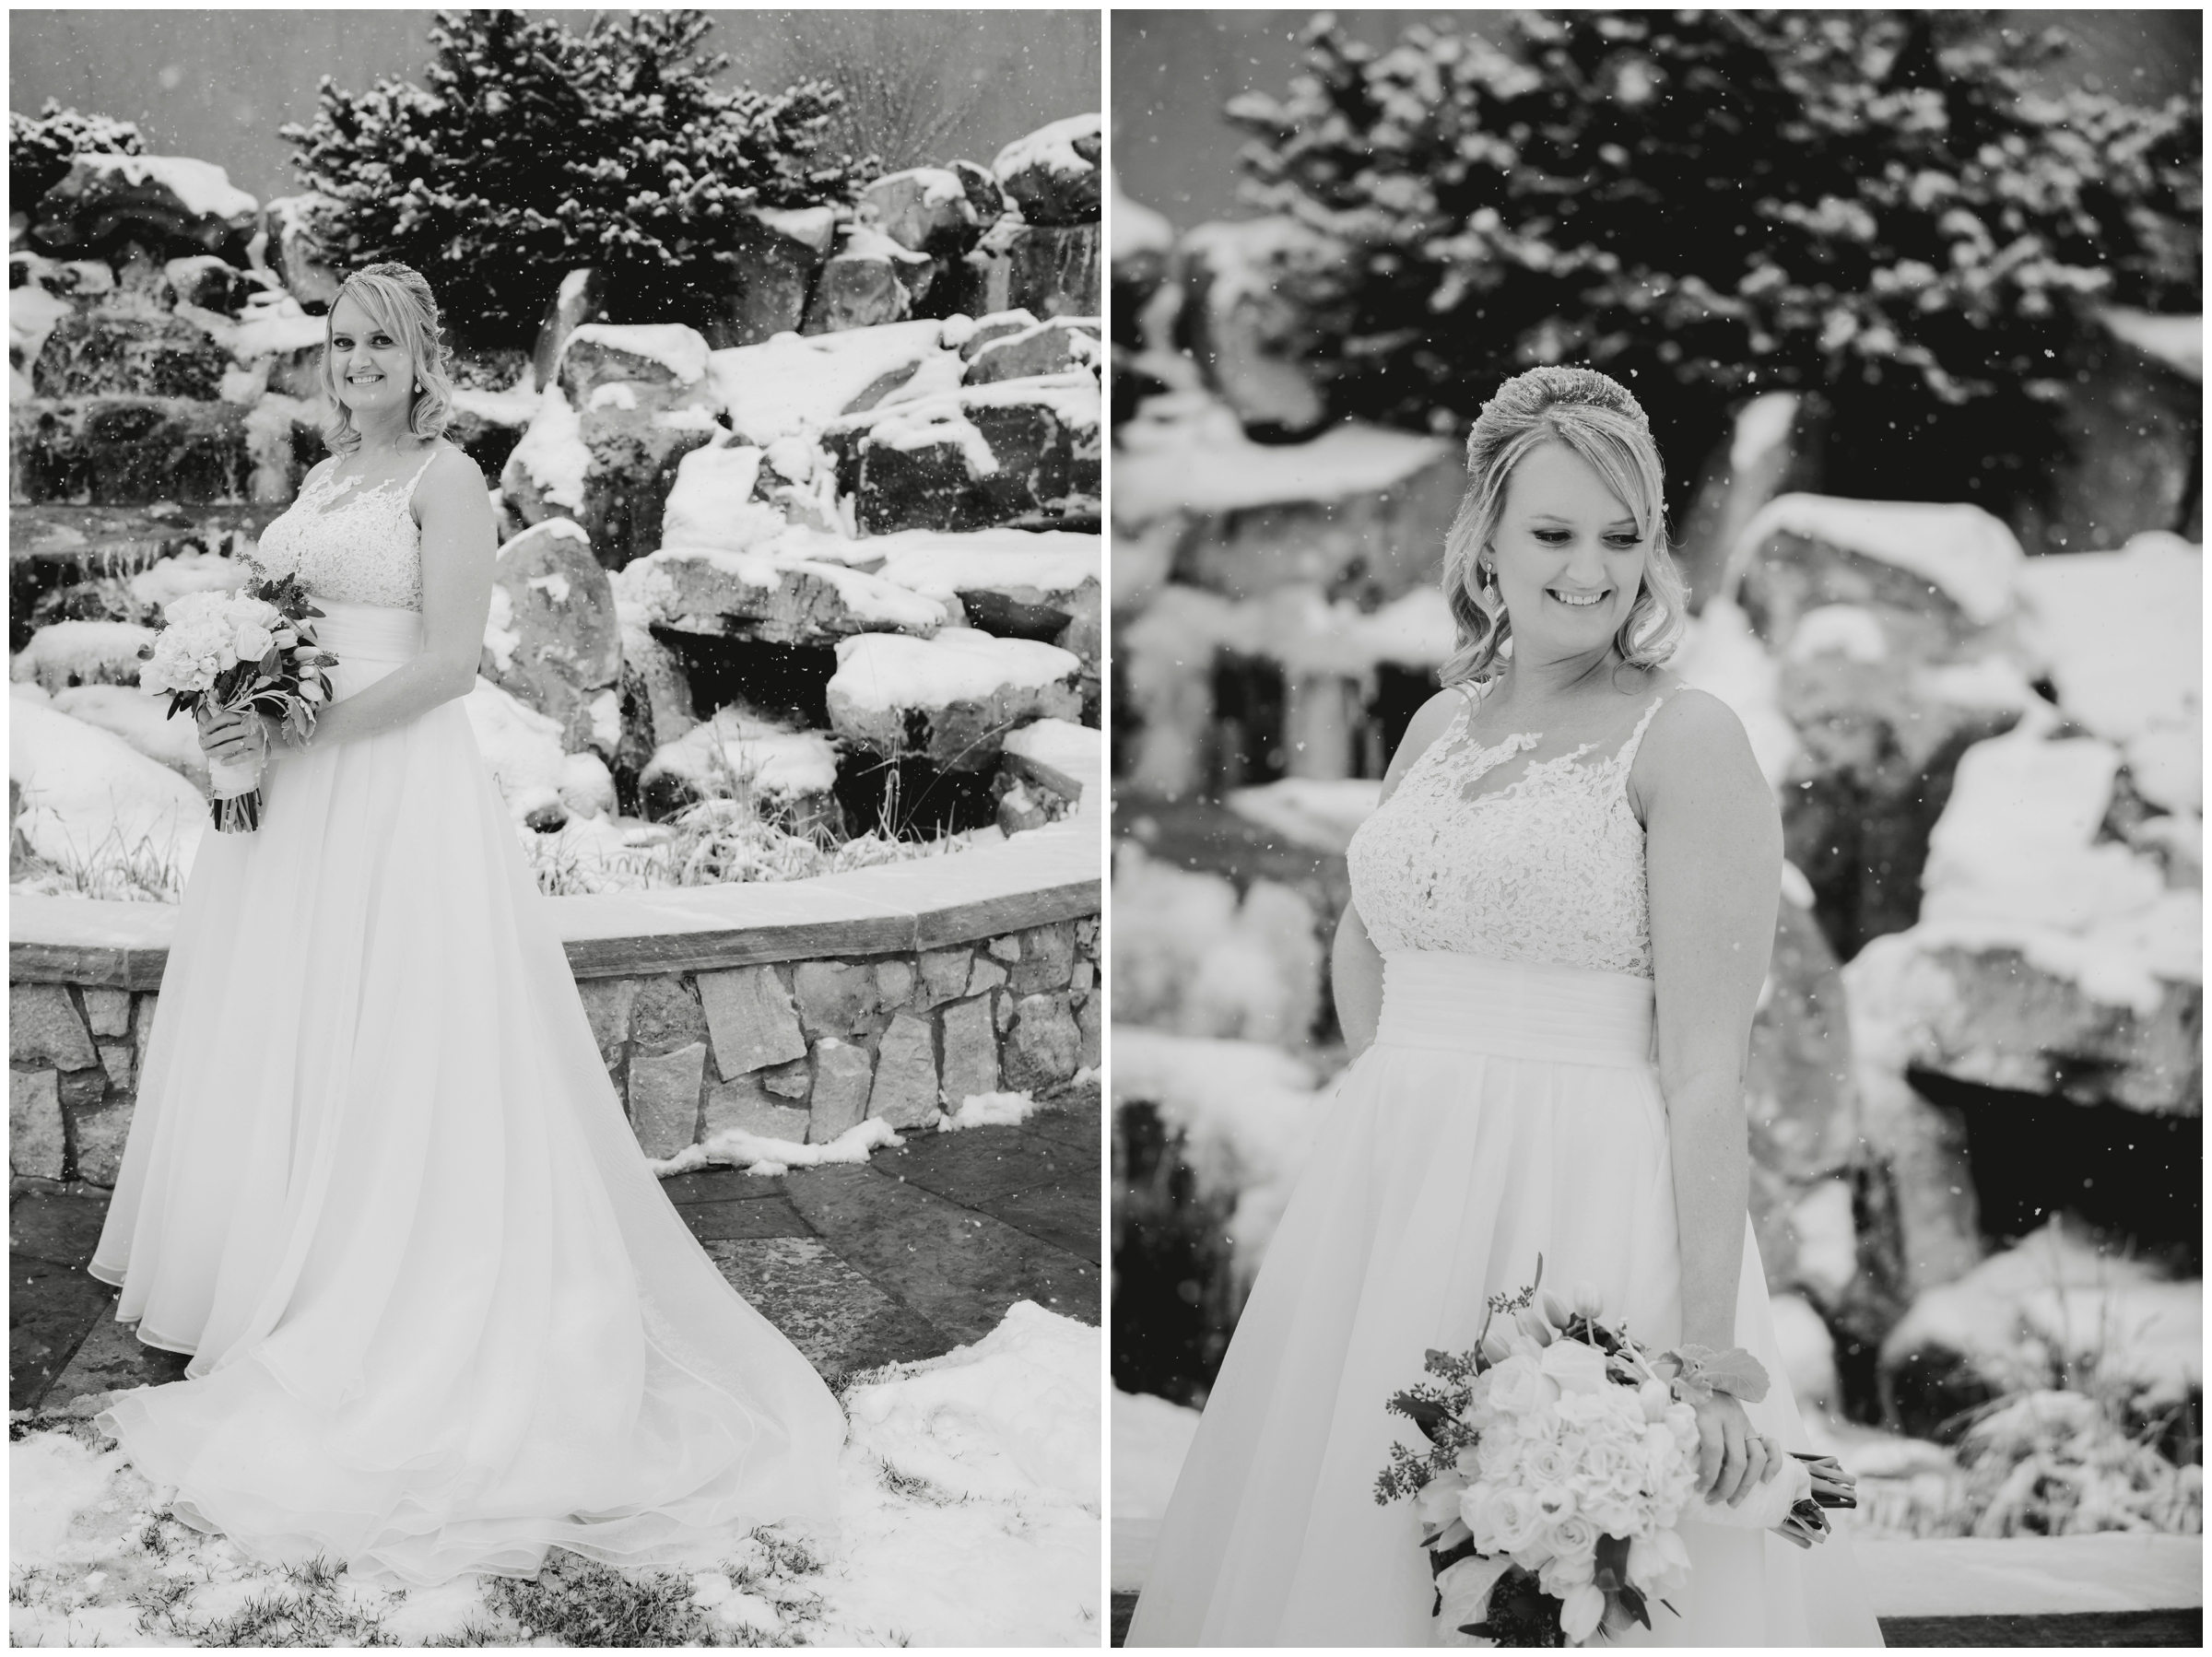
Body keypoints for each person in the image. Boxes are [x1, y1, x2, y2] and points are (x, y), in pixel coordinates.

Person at [88, 263, 844, 1588]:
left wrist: (293, 722)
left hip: (386, 789)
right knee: (290, 1022)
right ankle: (277, 1267)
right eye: (340, 341)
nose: (357, 360)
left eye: (380, 341)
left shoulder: (446, 480)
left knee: (396, 1034)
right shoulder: (325, 483)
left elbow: (442, 663)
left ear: (422, 356)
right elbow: (285, 628)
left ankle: (389, 1291)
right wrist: (230, 704)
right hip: (287, 798)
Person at [1125, 367, 1881, 1646]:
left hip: (1587, 1195)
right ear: (1485, 541)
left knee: (1564, 1572)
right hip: (1395, 1192)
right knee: (1353, 1553)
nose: (1590, 569)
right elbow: (1370, 948)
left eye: (1622, 535)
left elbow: (1706, 1074)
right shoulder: (1437, 728)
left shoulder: (1687, 741)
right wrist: (1408, 1103)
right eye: (1553, 531)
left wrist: (1707, 1361)